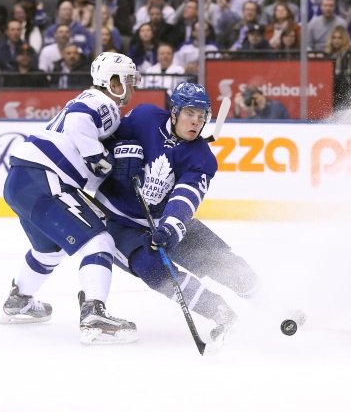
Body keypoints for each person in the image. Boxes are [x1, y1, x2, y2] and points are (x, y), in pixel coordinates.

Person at [94, 82, 259, 345]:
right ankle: (221, 313)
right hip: (117, 219)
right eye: (189, 114)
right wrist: (122, 154)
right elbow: (105, 140)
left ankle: (269, 301)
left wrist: (171, 228)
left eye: (201, 116)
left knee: (220, 260)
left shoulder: (202, 158)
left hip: (164, 220)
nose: (196, 122)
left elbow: (186, 196)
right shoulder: (145, 116)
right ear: (174, 112)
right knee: (153, 269)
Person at [0, 52, 141, 345]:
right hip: (44, 176)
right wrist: (96, 156)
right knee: (100, 242)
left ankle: (20, 300)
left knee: (49, 251)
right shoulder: (104, 103)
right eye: (127, 80)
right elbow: (80, 119)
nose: (131, 87)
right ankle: (94, 315)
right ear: (112, 81)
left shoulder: (91, 100)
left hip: (23, 180)